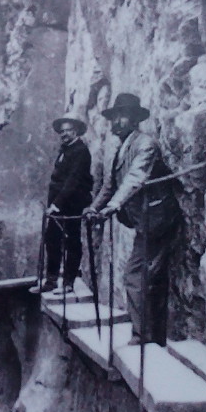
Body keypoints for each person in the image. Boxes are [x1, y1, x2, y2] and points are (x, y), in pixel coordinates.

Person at [84, 93, 181, 346]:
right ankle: (149, 335)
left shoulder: (145, 144)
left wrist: (114, 206)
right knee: (145, 276)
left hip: (158, 220)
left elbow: (135, 178)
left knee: (136, 275)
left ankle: (144, 337)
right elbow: (108, 186)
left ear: (135, 118)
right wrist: (93, 208)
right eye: (114, 117)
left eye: (122, 116)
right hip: (144, 222)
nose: (116, 122)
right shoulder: (118, 149)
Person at [30, 112, 92, 294]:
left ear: (76, 131)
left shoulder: (81, 151)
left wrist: (57, 203)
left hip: (72, 204)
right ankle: (50, 281)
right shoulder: (64, 151)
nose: (64, 134)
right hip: (59, 204)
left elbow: (72, 180)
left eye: (68, 131)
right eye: (62, 131)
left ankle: (68, 283)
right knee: (52, 238)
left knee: (72, 241)